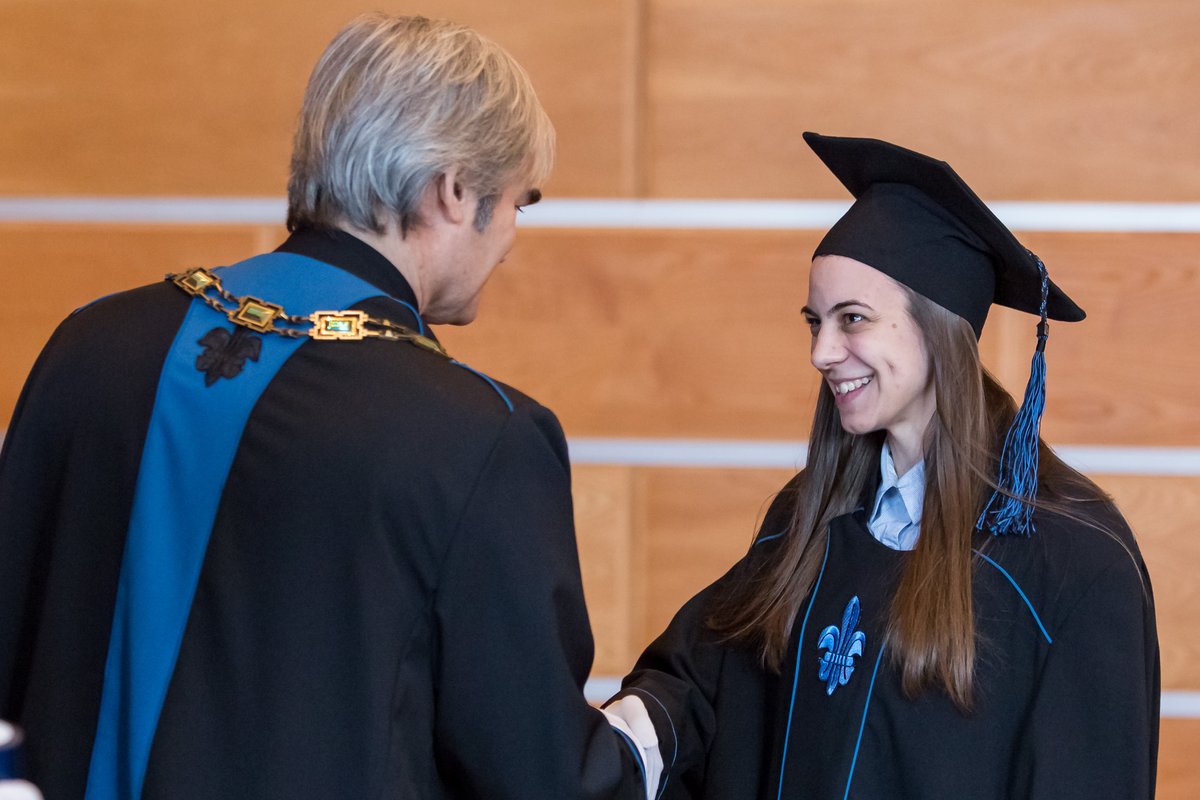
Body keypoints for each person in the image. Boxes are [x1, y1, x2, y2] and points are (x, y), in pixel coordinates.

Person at [0, 14, 659, 800]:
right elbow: (543, 777)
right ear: (454, 190)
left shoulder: (89, 343)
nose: (514, 235)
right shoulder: (480, 438)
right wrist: (673, 712)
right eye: (523, 199)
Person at [606, 133, 1159, 799]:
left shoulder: (1071, 563)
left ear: (938, 327)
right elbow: (706, 675)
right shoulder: (809, 518)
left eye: (853, 319)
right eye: (815, 322)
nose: (821, 352)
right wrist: (600, 747)